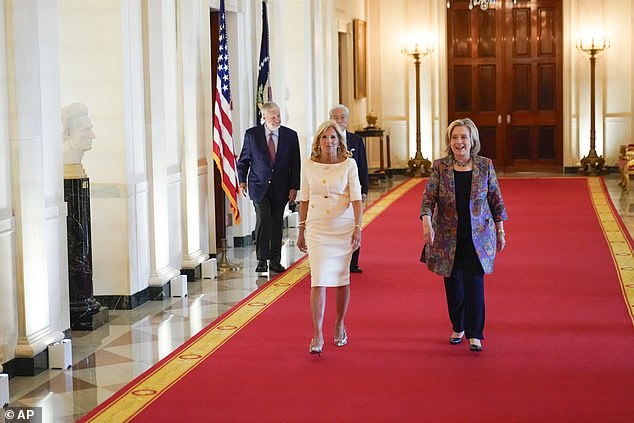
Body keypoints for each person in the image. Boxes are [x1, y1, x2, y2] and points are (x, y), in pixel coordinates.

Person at [419, 118, 507, 352]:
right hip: (448, 236)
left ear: (472, 141)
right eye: (455, 137)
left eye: (464, 137)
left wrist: (500, 230)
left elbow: (496, 200)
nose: (459, 142)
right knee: (453, 283)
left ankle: (475, 333)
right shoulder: (440, 166)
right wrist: (426, 223)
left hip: (479, 235)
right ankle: (458, 326)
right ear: (450, 141)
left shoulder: (485, 165)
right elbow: (428, 198)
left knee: (475, 282)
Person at [296, 120, 363, 354]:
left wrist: (358, 227)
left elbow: (356, 198)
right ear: (318, 141)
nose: (328, 142)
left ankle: (340, 323)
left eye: (333, 137)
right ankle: (317, 333)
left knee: (342, 277)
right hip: (317, 227)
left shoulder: (349, 165)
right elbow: (304, 198)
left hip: (342, 226)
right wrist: (301, 229)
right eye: (324, 138)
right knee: (318, 278)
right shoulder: (308, 165)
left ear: (339, 141)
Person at [237, 102, 301, 274]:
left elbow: (296, 163)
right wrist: (242, 181)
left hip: (282, 186)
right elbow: (243, 161)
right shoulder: (252, 135)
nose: (277, 119)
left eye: (279, 115)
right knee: (263, 219)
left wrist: (294, 186)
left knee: (276, 223)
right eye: (273, 116)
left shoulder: (290, 135)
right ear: (263, 116)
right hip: (259, 186)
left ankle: (275, 261)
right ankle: (261, 260)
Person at [329, 104, 369, 273]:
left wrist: (364, 190)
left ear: (347, 120)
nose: (339, 121)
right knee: (335, 225)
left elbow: (363, 167)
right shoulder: (326, 140)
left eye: (342, 117)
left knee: (354, 223)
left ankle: (353, 262)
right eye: (335, 117)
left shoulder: (356, 141)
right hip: (333, 192)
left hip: (353, 190)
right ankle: (335, 260)